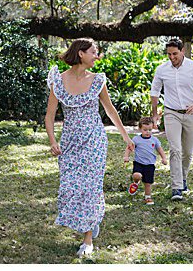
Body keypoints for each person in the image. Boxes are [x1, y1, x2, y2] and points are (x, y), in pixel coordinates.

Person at [45, 38, 133, 258]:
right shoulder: (58, 80)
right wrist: (52, 141)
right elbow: (49, 115)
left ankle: (87, 240)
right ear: (81, 53)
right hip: (70, 142)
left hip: (94, 140)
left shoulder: (97, 81)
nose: (97, 56)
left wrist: (126, 137)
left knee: (90, 188)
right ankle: (90, 222)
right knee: (70, 186)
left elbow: (110, 111)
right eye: (94, 52)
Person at [147, 39, 193, 201]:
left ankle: (183, 178)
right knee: (175, 149)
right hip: (171, 113)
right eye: (169, 54)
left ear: (182, 51)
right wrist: (155, 113)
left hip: (191, 114)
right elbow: (155, 91)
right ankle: (176, 187)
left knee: (187, 152)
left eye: (175, 54)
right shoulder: (162, 70)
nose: (172, 57)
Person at [127, 116, 169, 205]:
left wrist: (164, 158)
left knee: (148, 183)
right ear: (140, 129)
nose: (147, 132)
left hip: (150, 165)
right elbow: (129, 148)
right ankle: (135, 183)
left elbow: (160, 149)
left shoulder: (154, 140)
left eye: (150, 130)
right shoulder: (136, 139)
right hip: (138, 163)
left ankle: (148, 197)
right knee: (137, 175)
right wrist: (126, 156)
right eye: (145, 130)